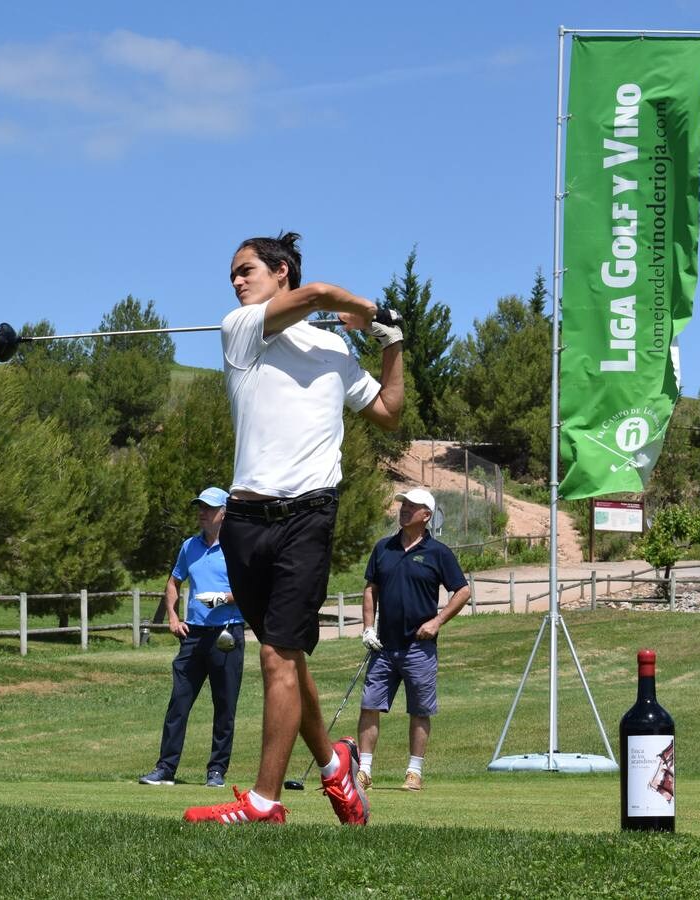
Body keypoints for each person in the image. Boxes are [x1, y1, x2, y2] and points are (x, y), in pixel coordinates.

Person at [183, 231, 404, 826]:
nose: (235, 281)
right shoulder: (242, 328)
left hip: (308, 515)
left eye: (246, 270)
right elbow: (323, 293)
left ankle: (263, 801)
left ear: (280, 271)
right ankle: (336, 767)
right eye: (232, 273)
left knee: (279, 656)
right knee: (289, 659)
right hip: (245, 521)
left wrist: (391, 341)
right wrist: (367, 309)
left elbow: (387, 412)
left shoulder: (335, 350)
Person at [355, 487, 471, 792]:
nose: (404, 508)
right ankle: (364, 771)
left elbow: (462, 591)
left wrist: (437, 621)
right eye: (403, 504)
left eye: (412, 505)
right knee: (370, 705)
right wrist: (368, 628)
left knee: (420, 709)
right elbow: (371, 589)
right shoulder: (383, 548)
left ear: (426, 516)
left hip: (419, 647)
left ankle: (413, 772)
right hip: (383, 646)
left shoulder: (438, 553)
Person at [139, 487, 246, 788]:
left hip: (228, 633)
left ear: (224, 513)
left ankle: (216, 771)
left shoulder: (238, 547)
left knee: (224, 706)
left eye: (209, 508)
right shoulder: (190, 546)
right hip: (194, 635)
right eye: (200, 507)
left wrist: (223, 599)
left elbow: (253, 591)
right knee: (179, 703)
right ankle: (165, 768)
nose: (202, 512)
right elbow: (173, 582)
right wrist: (173, 617)